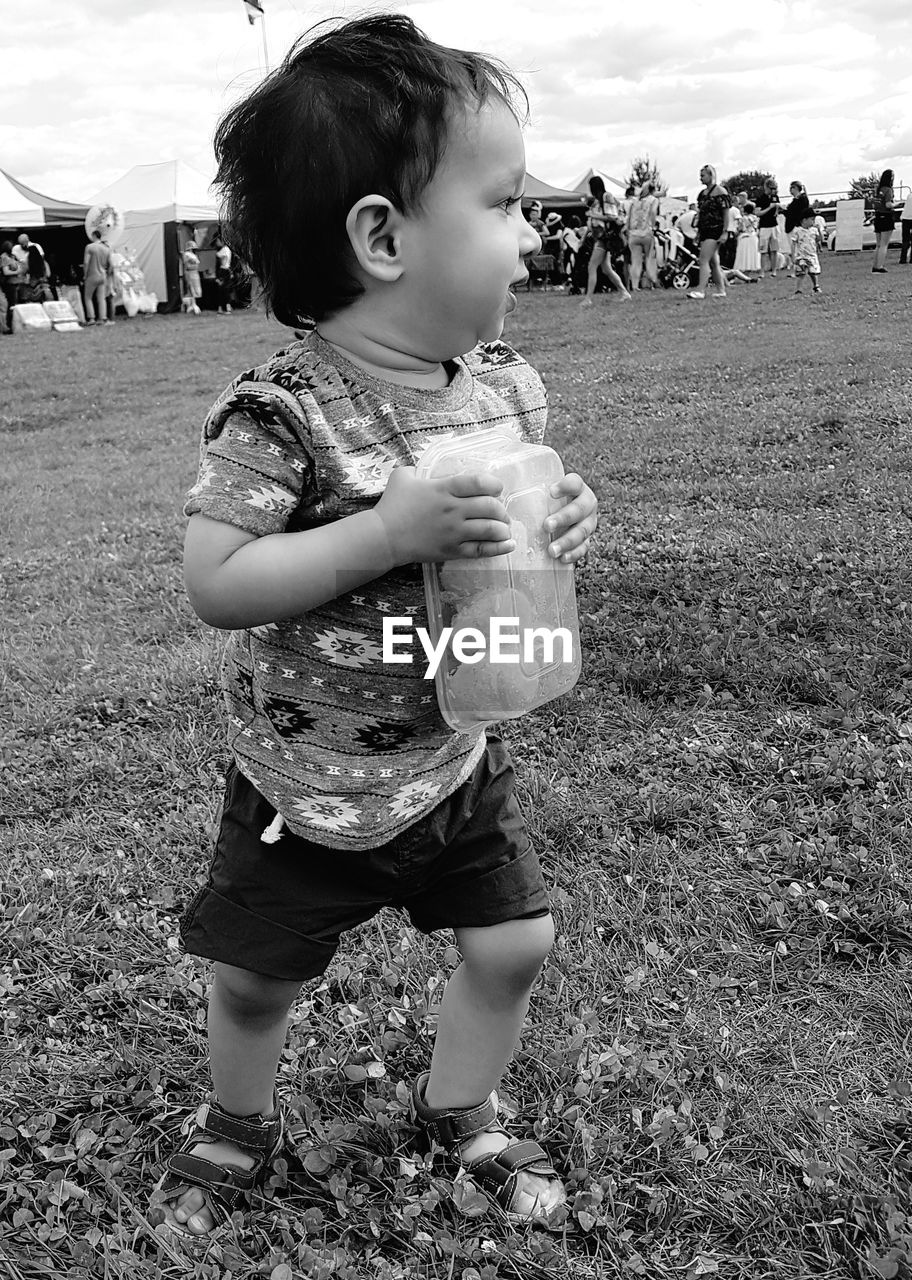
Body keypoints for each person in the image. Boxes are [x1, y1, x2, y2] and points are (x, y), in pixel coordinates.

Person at [153, 12, 597, 1246]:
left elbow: (517, 522)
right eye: (505, 203)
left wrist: (563, 516)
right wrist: (384, 530)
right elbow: (218, 577)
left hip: (453, 751)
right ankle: (236, 1120)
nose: (532, 234)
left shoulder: (505, 383)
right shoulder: (281, 412)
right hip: (308, 781)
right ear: (383, 237)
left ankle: (462, 1103)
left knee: (515, 940)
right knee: (254, 976)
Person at [580, 174, 631, 305]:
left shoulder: (605, 197)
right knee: (606, 269)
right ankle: (624, 292)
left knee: (592, 266)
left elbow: (612, 216)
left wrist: (593, 215)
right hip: (603, 238)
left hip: (604, 238)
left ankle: (588, 298)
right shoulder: (600, 200)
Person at [687, 164, 733, 300]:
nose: (700, 178)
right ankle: (721, 289)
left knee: (703, 259)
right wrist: (698, 232)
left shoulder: (720, 191)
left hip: (715, 230)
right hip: (705, 230)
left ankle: (700, 290)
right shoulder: (702, 194)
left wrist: (725, 232)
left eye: (703, 175)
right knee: (713, 262)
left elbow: (726, 214)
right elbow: (701, 213)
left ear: (710, 175)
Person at [626, 181, 660, 291]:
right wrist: (653, 225)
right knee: (649, 258)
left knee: (635, 260)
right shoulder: (653, 200)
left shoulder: (634, 201)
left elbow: (629, 216)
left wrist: (628, 230)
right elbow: (653, 212)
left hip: (634, 233)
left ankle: (635, 286)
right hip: (647, 233)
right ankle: (651, 282)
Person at [82, 230, 112, 324]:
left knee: (88, 297)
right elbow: (111, 264)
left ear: (94, 235)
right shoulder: (106, 248)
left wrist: (85, 275)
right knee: (101, 298)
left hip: (92, 275)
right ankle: (102, 318)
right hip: (103, 275)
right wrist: (107, 273)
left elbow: (86, 262)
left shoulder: (90, 247)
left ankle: (91, 318)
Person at [782, 181, 812, 277]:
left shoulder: (801, 199)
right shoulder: (796, 200)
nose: (790, 190)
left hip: (796, 226)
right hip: (792, 226)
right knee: (794, 250)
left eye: (791, 188)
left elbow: (795, 213)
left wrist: (784, 211)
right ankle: (798, 269)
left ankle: (798, 270)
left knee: (796, 250)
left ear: (795, 188)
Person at [755, 177, 781, 278]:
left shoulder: (775, 197)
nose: (773, 190)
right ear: (766, 188)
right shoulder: (760, 198)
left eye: (775, 188)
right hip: (764, 227)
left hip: (774, 226)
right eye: (771, 188)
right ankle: (762, 271)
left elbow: (777, 207)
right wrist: (769, 208)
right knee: (763, 251)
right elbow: (758, 213)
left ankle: (774, 271)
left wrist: (776, 210)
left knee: (774, 250)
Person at [792, 211, 822, 296]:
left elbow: (819, 239)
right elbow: (793, 243)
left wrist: (819, 230)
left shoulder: (814, 230)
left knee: (813, 272)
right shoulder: (797, 230)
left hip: (812, 255)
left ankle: (816, 286)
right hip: (801, 255)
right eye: (812, 219)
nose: (813, 222)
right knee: (800, 272)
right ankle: (798, 289)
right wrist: (793, 255)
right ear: (804, 220)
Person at [871, 169, 896, 273]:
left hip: (878, 216)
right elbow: (888, 204)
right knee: (884, 244)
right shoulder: (888, 190)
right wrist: (896, 205)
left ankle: (875, 265)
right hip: (886, 216)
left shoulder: (878, 189)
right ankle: (880, 266)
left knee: (878, 244)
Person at [734, 201, 760, 275]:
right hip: (754, 236)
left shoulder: (743, 219)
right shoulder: (755, 218)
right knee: (752, 253)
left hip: (745, 236)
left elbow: (740, 228)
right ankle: (752, 266)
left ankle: (744, 267)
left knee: (744, 253)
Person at [1, 240, 19, 332]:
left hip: (15, 283)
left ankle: (12, 324)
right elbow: (6, 272)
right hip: (9, 284)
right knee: (10, 305)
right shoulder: (4, 257)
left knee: (13, 305)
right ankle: (8, 326)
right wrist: (17, 272)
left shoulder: (12, 257)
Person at [181, 240, 203, 313]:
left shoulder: (193, 255)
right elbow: (188, 263)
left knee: (195, 289)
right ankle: (191, 305)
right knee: (191, 288)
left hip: (195, 272)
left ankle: (194, 304)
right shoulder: (186, 254)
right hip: (190, 273)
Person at [214, 238, 234, 312]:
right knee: (225, 290)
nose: (216, 243)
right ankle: (225, 307)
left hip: (223, 271)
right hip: (226, 271)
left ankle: (224, 308)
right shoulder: (227, 249)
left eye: (217, 242)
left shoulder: (224, 249)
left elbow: (218, 255)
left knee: (223, 290)